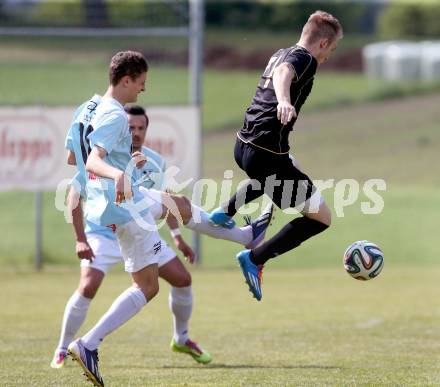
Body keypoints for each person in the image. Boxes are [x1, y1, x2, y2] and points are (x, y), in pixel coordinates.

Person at [62, 50, 272, 386]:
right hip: (122, 206)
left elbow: (73, 156)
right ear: (126, 79)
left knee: (181, 205)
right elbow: (91, 161)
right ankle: (88, 344)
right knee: (147, 287)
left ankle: (246, 238)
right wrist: (116, 174)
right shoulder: (114, 115)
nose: (142, 91)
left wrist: (116, 171)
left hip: (119, 199)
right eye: (141, 84)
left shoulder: (86, 108)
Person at [209, 11, 343, 301]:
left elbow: (281, 69)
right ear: (321, 43)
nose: (328, 57)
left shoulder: (281, 52)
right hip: (266, 154)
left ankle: (225, 212)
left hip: (243, 146)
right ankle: (255, 259)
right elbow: (286, 74)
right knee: (320, 217)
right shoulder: (306, 59)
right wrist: (284, 101)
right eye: (331, 50)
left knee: (284, 169)